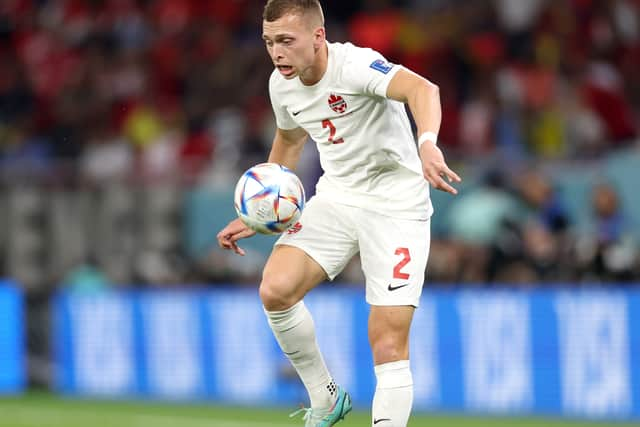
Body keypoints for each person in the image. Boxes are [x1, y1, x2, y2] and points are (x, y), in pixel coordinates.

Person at [217, 1, 461, 426]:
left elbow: (424, 91)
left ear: (317, 36)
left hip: (397, 205)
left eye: (286, 41)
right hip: (337, 197)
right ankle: (325, 399)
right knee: (275, 289)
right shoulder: (282, 84)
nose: (276, 52)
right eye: (269, 42)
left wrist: (427, 143)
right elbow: (290, 141)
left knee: (386, 340)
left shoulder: (356, 67)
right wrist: (257, 214)